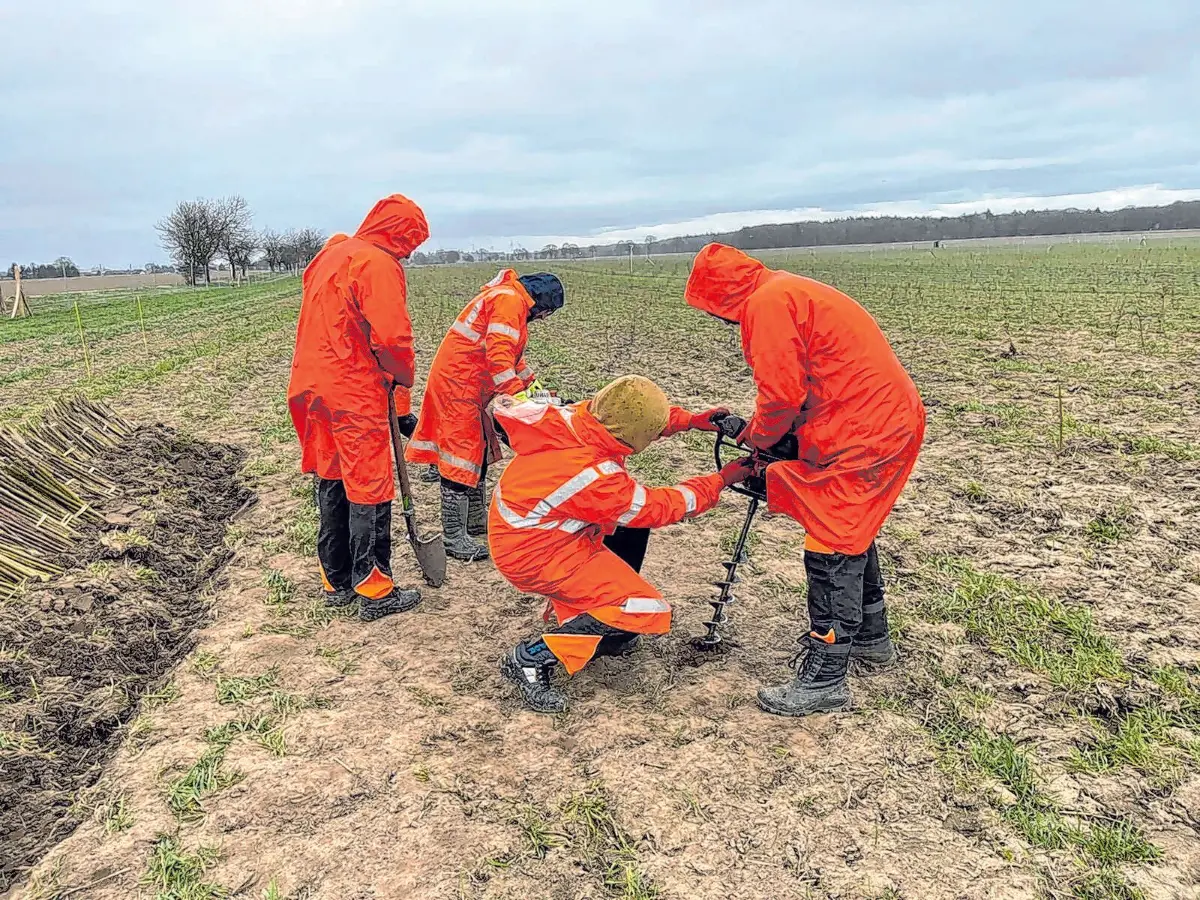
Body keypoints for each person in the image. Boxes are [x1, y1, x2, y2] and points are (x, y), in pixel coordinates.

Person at [685, 243, 926, 717]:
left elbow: (780, 396)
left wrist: (759, 440)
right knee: (850, 526)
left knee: (830, 539)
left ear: (718, 296)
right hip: (882, 419)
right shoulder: (790, 289)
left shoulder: (766, 304)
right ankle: (872, 639)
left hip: (863, 431)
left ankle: (825, 678)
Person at [491, 375, 752, 713]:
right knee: (644, 609)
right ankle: (532, 657)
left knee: (630, 529)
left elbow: (632, 417)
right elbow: (657, 507)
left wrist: (691, 421)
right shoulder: (594, 478)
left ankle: (598, 621)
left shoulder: (580, 419)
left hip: (535, 534)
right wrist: (720, 480)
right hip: (536, 555)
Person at [287, 194, 429, 622]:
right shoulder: (378, 263)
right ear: (401, 233)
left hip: (311, 387)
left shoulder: (331, 256)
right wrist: (401, 377)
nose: (409, 251)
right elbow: (393, 338)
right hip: (352, 388)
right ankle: (374, 589)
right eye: (411, 242)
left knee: (332, 477)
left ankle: (336, 580)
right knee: (368, 483)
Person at [406, 270, 564, 562]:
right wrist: (520, 403)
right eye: (547, 314)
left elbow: (517, 363)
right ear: (541, 305)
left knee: (477, 455)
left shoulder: (508, 299)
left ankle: (475, 521)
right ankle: (454, 536)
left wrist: (542, 394)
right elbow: (501, 361)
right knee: (460, 460)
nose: (542, 319)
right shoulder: (509, 303)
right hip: (461, 387)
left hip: (471, 386)